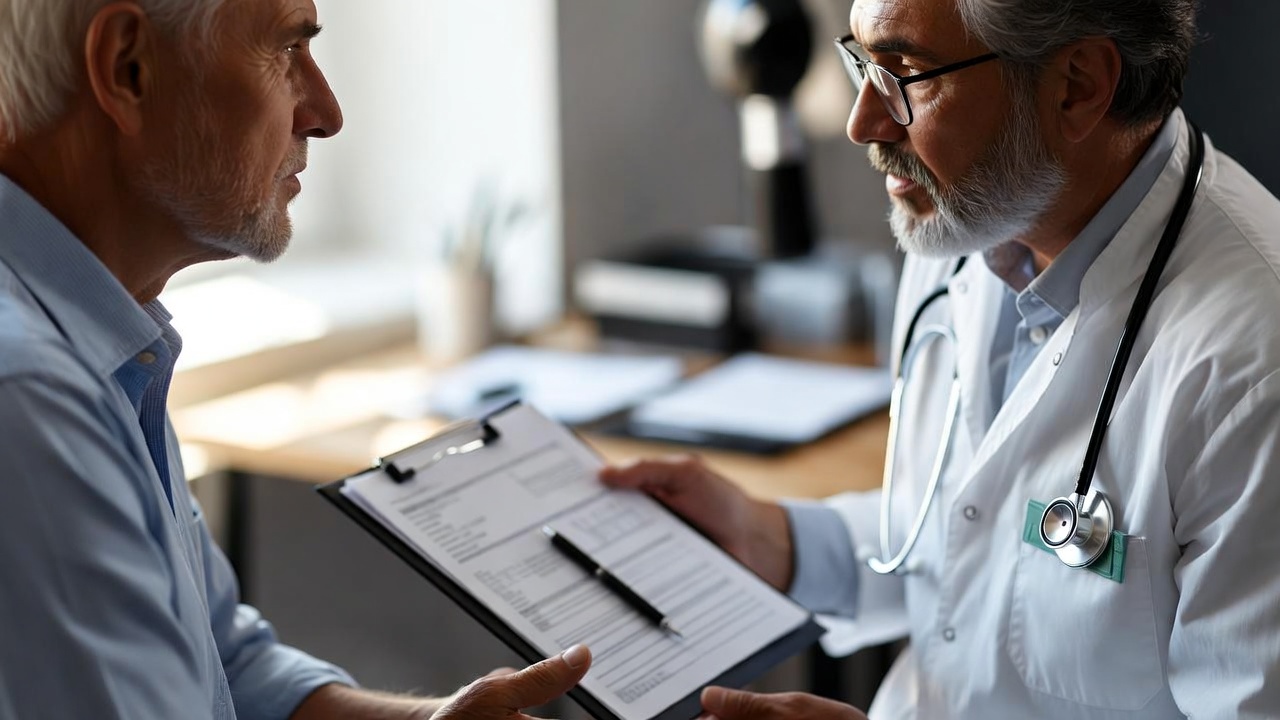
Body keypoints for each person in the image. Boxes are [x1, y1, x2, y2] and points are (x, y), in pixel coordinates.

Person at [604, 0, 1280, 717]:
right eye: (862, 61)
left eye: (906, 73)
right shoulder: (967, 231)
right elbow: (963, 531)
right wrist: (771, 538)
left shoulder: (1251, 373)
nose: (862, 121)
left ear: (1077, 85)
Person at [0, 0, 591, 717]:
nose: (326, 111)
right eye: (285, 52)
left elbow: (223, 664)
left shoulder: (106, 339)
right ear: (129, 69)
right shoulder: (29, 400)